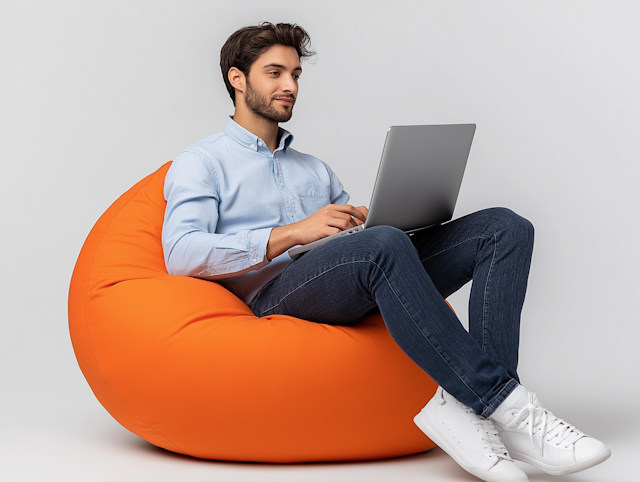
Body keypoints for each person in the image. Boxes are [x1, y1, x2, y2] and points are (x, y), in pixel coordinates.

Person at [161, 22, 610, 482]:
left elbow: (351, 249)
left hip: (349, 278)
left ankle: (474, 413)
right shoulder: (202, 162)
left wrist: (371, 221)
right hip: (270, 296)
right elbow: (181, 252)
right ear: (238, 79)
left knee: (504, 228)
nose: (290, 86)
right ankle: (510, 408)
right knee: (381, 246)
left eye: (296, 74)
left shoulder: (313, 169)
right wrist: (294, 232)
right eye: (275, 73)